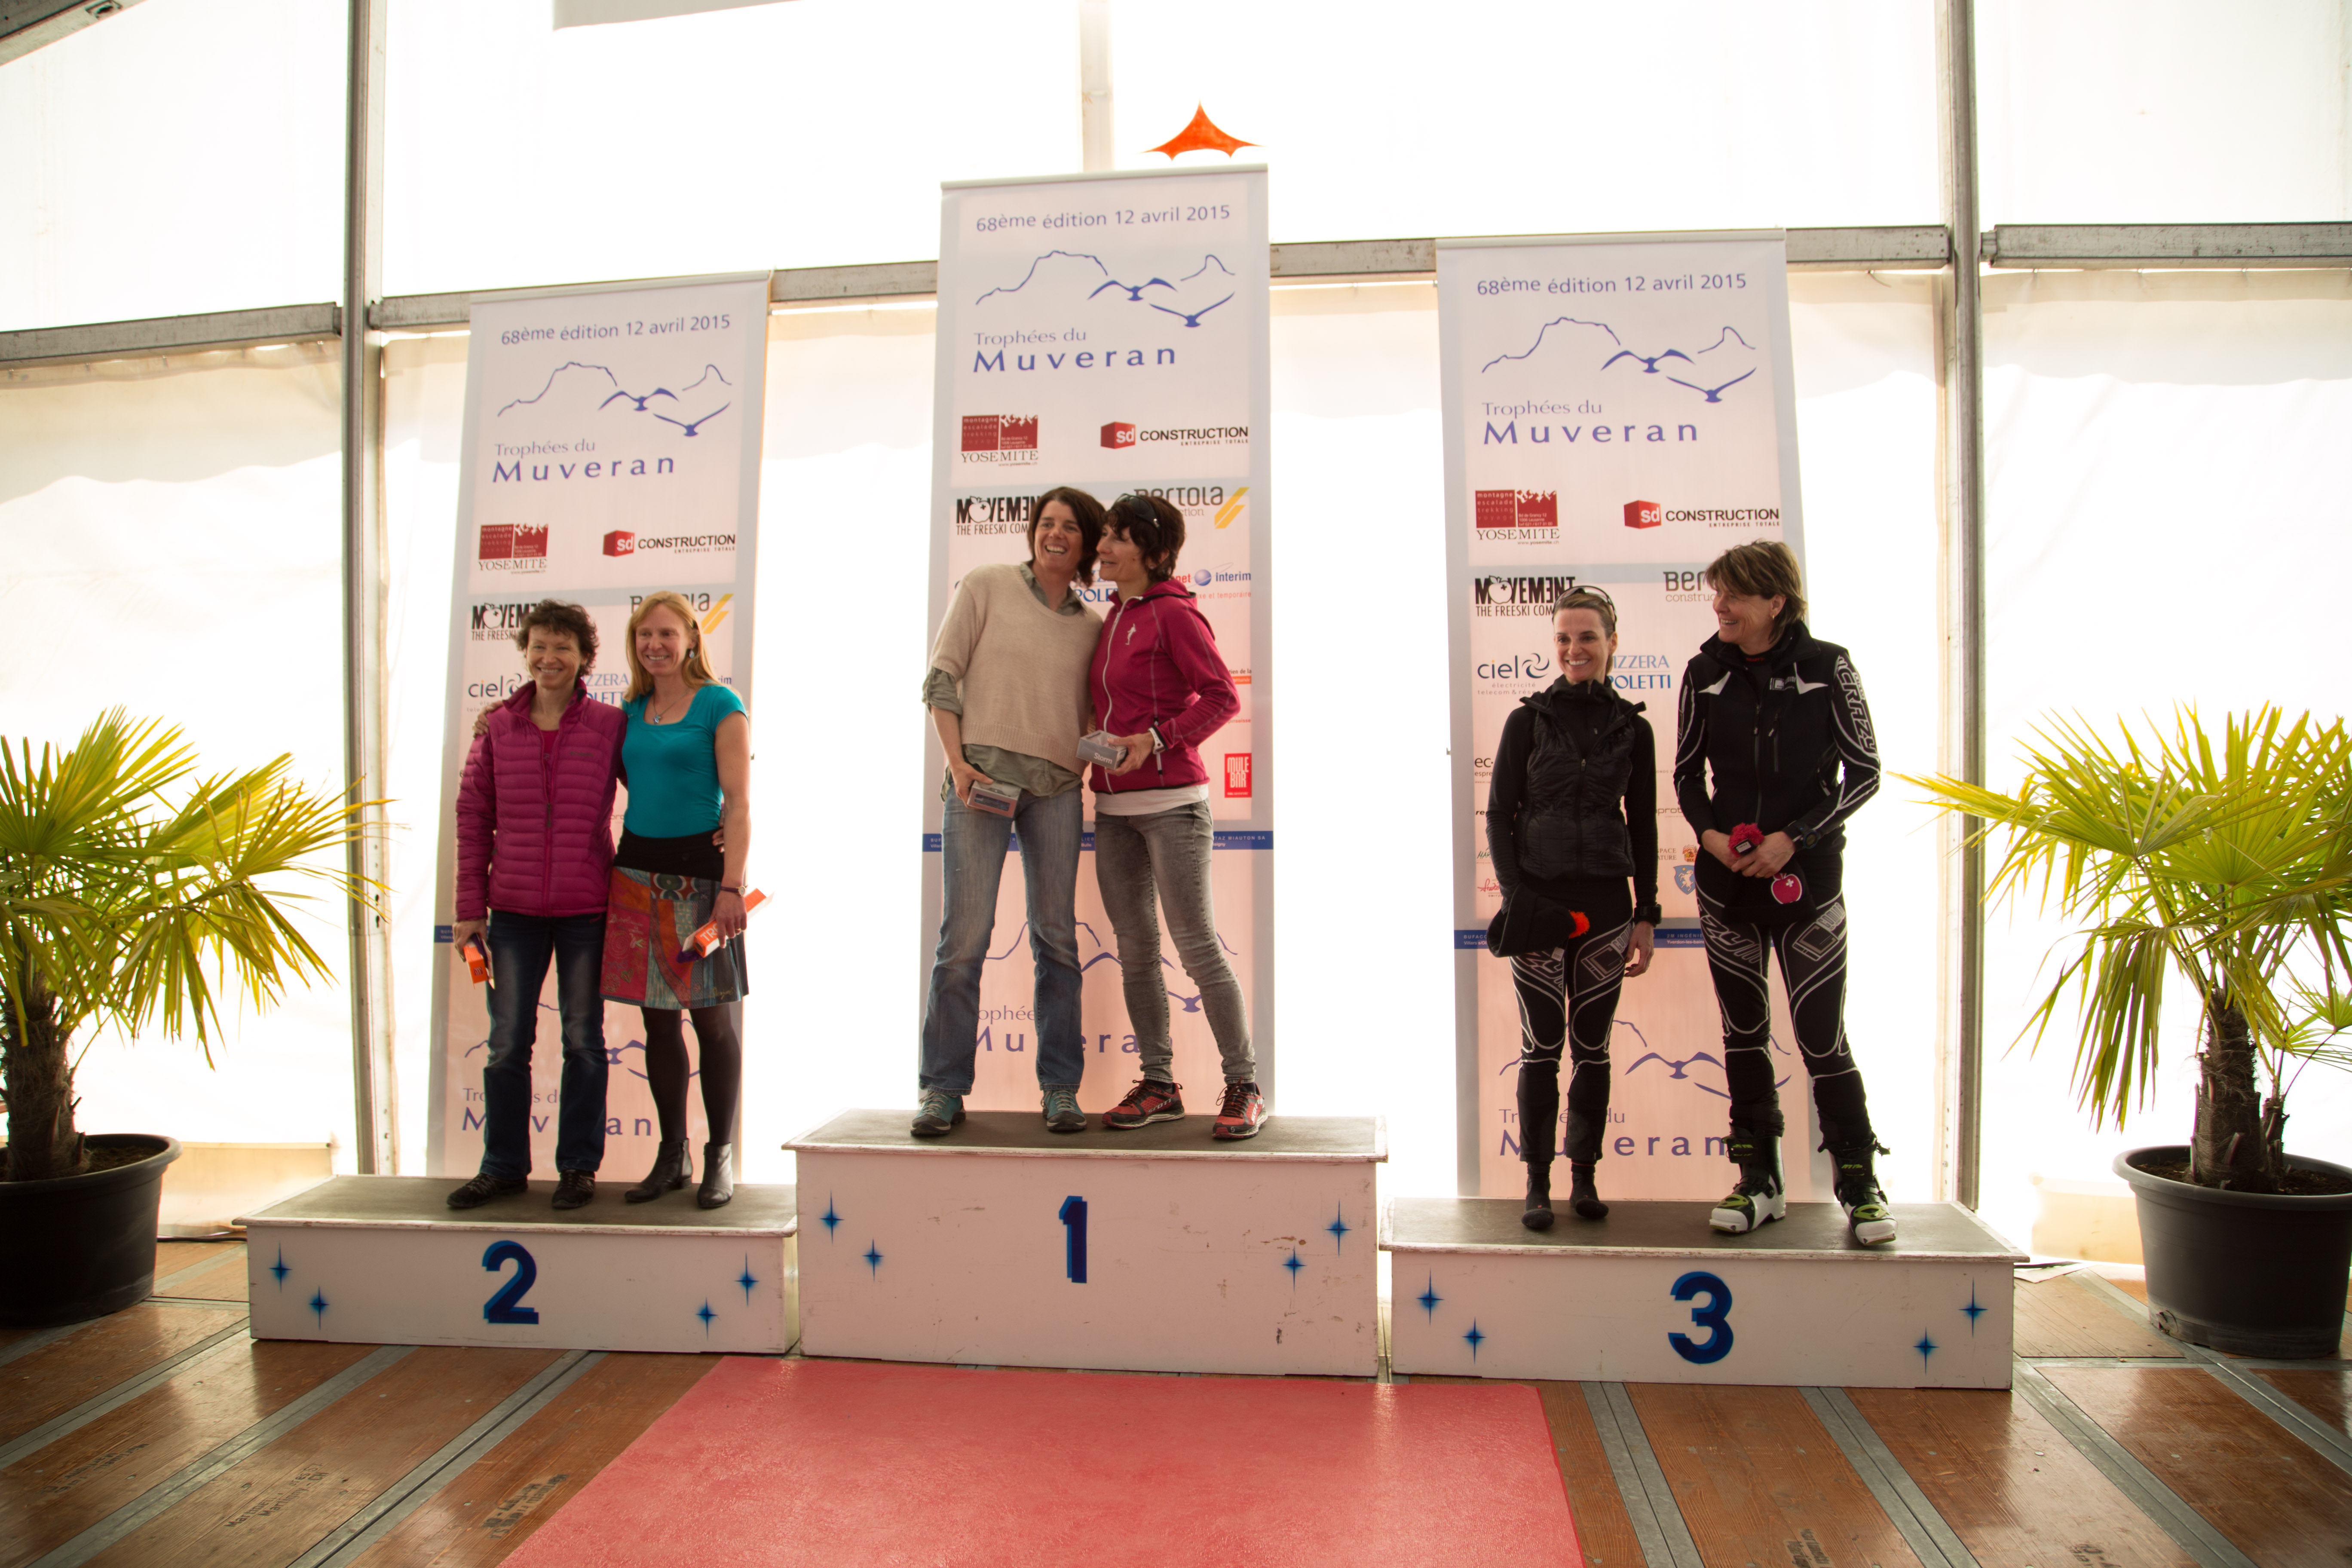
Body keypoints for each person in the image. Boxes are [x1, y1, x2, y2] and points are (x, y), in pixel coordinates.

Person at [1672, 539, 1894, 1245]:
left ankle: (1860, 1185)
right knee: (1743, 1036)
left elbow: (1865, 773)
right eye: (1717, 593)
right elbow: (1685, 776)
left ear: (1776, 601)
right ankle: (1758, 1180)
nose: (1720, 606)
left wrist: (1793, 839)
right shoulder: (1703, 671)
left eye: (1734, 595)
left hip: (1809, 886)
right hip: (1727, 884)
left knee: (1822, 1039)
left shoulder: (1830, 667)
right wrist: (1712, 839)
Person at [916, 487, 1108, 1137]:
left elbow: (1094, 717)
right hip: (980, 783)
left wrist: (1090, 762)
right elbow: (941, 682)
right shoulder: (986, 584)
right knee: (963, 943)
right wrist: (958, 763)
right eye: (1046, 523)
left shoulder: (1093, 626)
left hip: (1056, 790)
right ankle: (942, 1090)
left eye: (1070, 527)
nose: (1055, 534)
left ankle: (1061, 1089)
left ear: (1087, 544)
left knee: (1057, 941)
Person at [1086, 493, 1263, 1139]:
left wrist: (1157, 739)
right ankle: (1159, 1084)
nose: (1102, 547)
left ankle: (1244, 1084)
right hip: (1112, 811)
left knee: (1197, 948)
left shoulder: (1174, 614)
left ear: (1154, 553)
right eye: (1105, 534)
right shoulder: (1113, 616)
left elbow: (1222, 697)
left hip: (1173, 808)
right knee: (1136, 952)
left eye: (1118, 538)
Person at [1484, 587, 1660, 1227]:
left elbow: (1644, 824)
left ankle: (1584, 1179)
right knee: (1540, 1049)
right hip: (1539, 905)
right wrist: (1518, 900)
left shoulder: (1634, 728)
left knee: (1593, 1048)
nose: (1574, 649)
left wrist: (1647, 913)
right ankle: (1537, 1184)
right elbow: (1499, 816)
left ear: (1612, 643)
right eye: (1563, 638)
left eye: (1587, 637)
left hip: (1608, 908)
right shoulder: (1527, 722)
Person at [448, 600, 628, 1212]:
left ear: (584, 658)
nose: (550, 658)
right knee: (507, 1045)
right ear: (525, 652)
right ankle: (502, 1167)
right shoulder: (498, 728)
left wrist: (716, 823)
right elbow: (473, 818)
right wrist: (468, 910)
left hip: (587, 910)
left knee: (584, 1041)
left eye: (563, 648)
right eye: (540, 647)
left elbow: (658, 784)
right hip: (513, 914)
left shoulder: (610, 725)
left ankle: (578, 1168)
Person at [601, 590, 752, 1209]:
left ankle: (720, 1156)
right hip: (636, 874)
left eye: (667, 634)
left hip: (703, 881)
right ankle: (673, 1155)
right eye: (645, 635)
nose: (655, 645)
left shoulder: (720, 704)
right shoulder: (630, 711)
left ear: (692, 638)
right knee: (656, 1022)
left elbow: (738, 805)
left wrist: (732, 886)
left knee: (711, 1021)